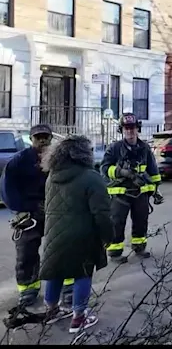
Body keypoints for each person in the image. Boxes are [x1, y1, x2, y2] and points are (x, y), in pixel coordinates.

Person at [39, 134, 114, 333]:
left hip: (55, 234)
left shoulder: (52, 176)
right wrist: (108, 237)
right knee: (82, 272)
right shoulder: (91, 177)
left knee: (56, 270)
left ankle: (51, 310)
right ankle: (79, 317)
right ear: (83, 154)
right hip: (83, 235)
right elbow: (102, 213)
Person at [0, 124, 74, 308]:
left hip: (56, 212)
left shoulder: (60, 160)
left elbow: (71, 183)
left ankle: (68, 289)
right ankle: (28, 290)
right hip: (30, 214)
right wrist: (21, 209)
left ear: (50, 138)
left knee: (62, 250)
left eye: (45, 137)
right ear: (31, 139)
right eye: (37, 137)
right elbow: (7, 187)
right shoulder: (19, 161)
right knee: (26, 253)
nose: (42, 140)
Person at [100, 113, 162, 262]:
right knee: (117, 223)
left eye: (132, 128)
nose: (129, 131)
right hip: (120, 193)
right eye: (126, 128)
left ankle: (139, 248)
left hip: (140, 193)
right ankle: (115, 253)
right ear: (121, 130)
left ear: (137, 129)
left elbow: (153, 172)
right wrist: (120, 172)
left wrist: (156, 190)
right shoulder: (114, 148)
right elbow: (104, 168)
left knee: (141, 221)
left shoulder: (145, 148)